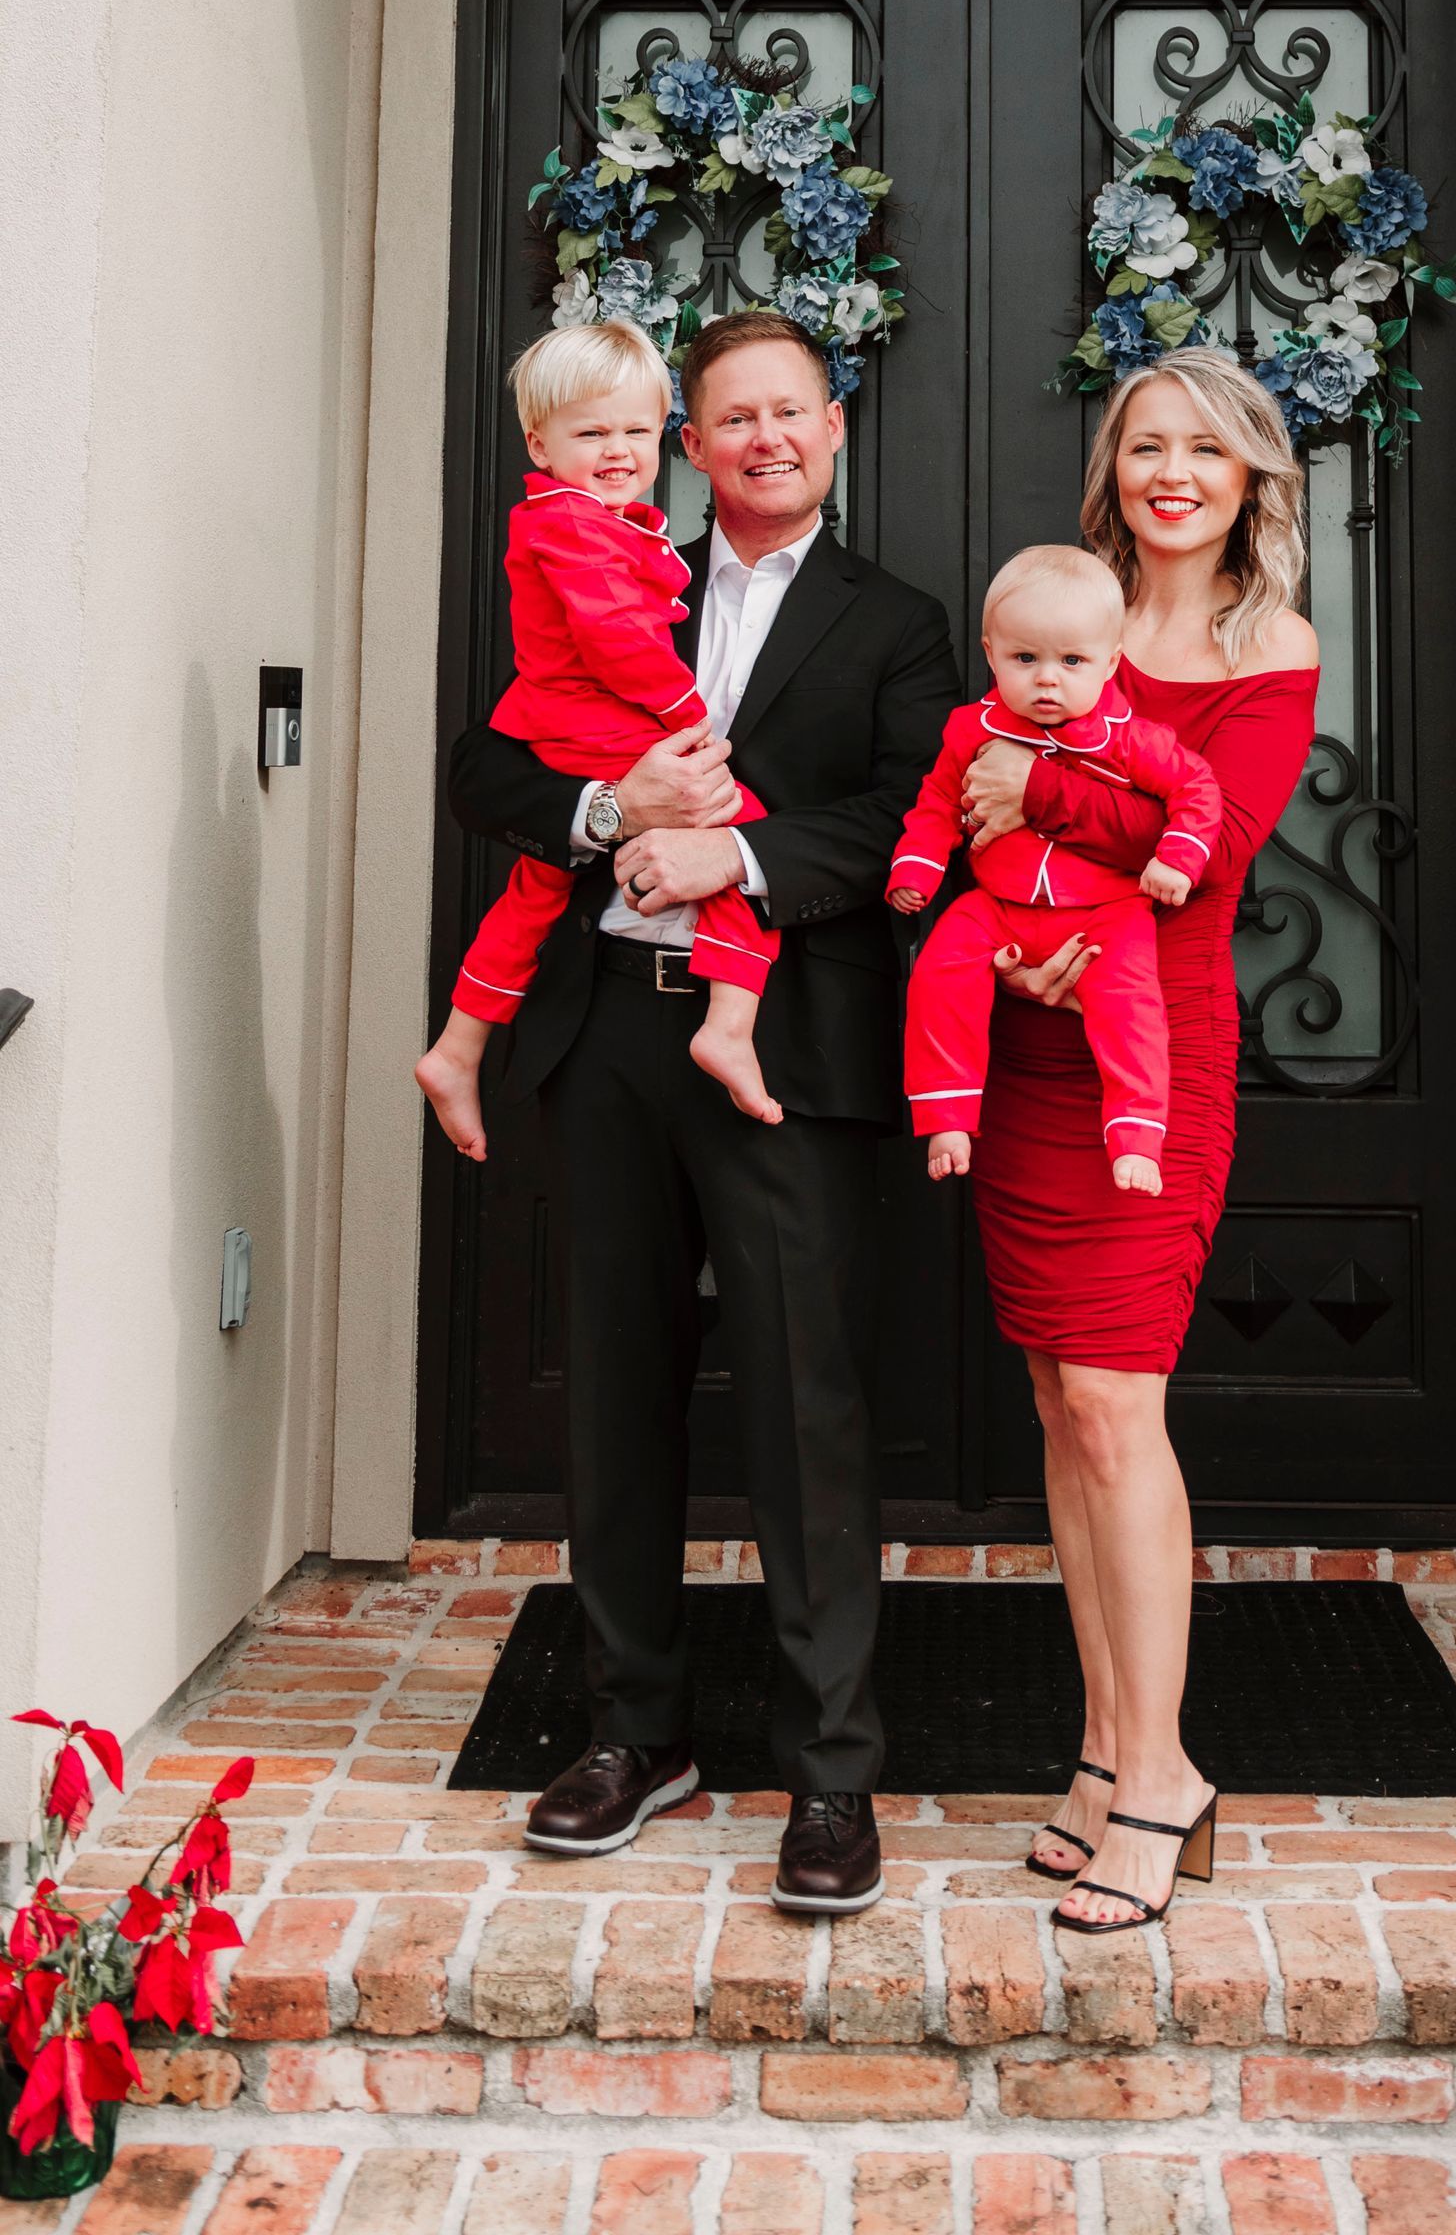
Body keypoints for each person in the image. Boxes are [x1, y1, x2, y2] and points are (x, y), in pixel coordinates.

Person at [446, 311, 958, 1913]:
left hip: (784, 1049)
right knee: (616, 1390)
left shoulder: (899, 623)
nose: (764, 438)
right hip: (608, 1031)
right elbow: (487, 767)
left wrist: (731, 853)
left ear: (835, 427)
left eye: (790, 411)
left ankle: (832, 1770)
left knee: (806, 1407)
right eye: (732, 417)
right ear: (692, 445)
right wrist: (610, 811)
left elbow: (901, 817)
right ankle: (635, 1732)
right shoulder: (610, 568)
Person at [955, 348, 1318, 1934]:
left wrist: (1035, 784)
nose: (1174, 474)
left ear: (1251, 482)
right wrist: (1012, 903)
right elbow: (965, 814)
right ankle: (1104, 1750)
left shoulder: (1269, 645)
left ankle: (1167, 1771)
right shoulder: (1066, 613)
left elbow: (1212, 854)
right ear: (1114, 466)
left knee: (1117, 1402)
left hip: (1152, 1063)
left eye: (1208, 452)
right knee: (1059, 1401)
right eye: (1148, 445)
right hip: (1024, 1049)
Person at [416, 321, 785, 1149]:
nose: (617, 450)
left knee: (537, 889)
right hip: (590, 727)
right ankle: (730, 1024)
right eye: (591, 434)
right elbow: (618, 638)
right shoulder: (576, 527)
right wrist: (686, 715)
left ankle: (458, 1046)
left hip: (565, 723)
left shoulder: (591, 522)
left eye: (635, 431)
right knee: (744, 827)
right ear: (538, 445)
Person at [886, 544, 1222, 1196]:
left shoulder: (1126, 739)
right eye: (1025, 659)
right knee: (941, 968)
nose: (1047, 680)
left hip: (1106, 913)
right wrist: (918, 869)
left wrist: (1177, 858)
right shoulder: (971, 731)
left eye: (1071, 662)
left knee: (1130, 1006)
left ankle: (1136, 1135)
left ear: (1110, 663)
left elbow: (1196, 789)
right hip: (999, 907)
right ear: (990, 654)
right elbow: (936, 804)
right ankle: (947, 1116)